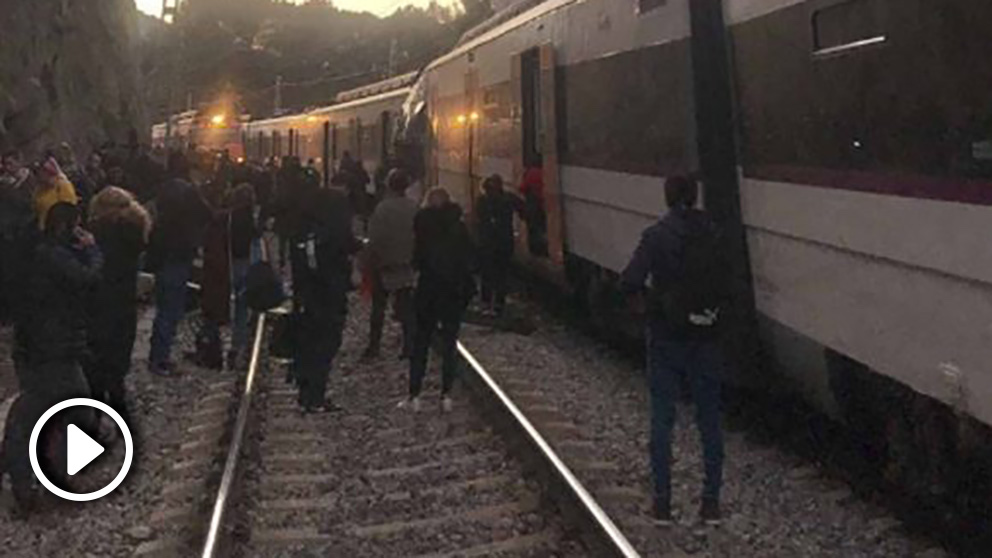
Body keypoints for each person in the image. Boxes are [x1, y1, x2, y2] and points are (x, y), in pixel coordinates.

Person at [620, 175, 726, 526]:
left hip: (666, 337)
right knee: (709, 421)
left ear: (666, 198)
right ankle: (711, 504)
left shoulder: (655, 236)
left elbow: (630, 281)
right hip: (707, 335)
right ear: (694, 197)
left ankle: (662, 504)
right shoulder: (714, 233)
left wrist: (646, 308)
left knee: (662, 421)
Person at [2, 202, 101, 512]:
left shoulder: (39, 252)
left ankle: (34, 479)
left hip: (43, 346)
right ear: (66, 226)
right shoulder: (54, 257)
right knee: (65, 410)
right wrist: (92, 250)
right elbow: (86, 279)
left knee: (41, 412)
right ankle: (35, 483)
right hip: (50, 348)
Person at [402, 188, 475, 413]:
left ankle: (414, 396)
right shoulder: (459, 227)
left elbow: (416, 260)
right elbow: (470, 260)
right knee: (450, 344)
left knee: (421, 343)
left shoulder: (422, 227)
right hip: (452, 293)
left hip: (428, 291)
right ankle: (446, 396)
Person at [85, 187, 150, 428]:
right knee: (117, 365)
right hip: (124, 305)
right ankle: (120, 414)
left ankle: (96, 419)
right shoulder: (136, 232)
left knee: (97, 365)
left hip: (100, 305)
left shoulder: (98, 234)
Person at [295, 182, 360, 413]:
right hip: (329, 294)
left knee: (310, 343)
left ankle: (307, 393)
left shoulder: (306, 230)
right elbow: (344, 252)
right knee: (326, 344)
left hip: (309, 295)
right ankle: (316, 395)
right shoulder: (334, 233)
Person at [147, 152, 211, 377]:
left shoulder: (163, 189)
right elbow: (206, 214)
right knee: (171, 309)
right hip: (178, 254)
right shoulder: (188, 191)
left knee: (164, 308)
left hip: (162, 254)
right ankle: (160, 359)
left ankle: (158, 356)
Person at [363, 168, 418, 360]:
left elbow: (375, 238)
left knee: (378, 308)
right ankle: (409, 347)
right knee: (405, 309)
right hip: (406, 263)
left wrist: (367, 262)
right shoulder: (414, 207)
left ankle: (374, 347)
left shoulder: (383, 208)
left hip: (385, 264)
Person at [475, 174, 523, 317]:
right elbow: (523, 210)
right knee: (502, 273)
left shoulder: (482, 200)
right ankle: (499, 304)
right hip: (504, 241)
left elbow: (479, 219)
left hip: (487, 242)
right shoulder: (508, 198)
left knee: (487, 273)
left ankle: (486, 302)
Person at [228, 183, 258, 368]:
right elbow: (253, 237)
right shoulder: (247, 216)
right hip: (244, 262)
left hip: (231, 262)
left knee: (235, 305)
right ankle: (238, 344)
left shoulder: (230, 216)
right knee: (242, 306)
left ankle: (236, 345)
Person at [33, 157, 79, 230]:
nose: (38, 174)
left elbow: (69, 212)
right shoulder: (40, 189)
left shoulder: (63, 186)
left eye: (40, 171)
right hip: (42, 229)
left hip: (58, 231)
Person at [519, 166, 548, 257]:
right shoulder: (543, 172)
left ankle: (536, 250)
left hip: (533, 205)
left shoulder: (531, 172)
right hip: (542, 205)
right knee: (542, 227)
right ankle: (544, 248)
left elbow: (522, 188)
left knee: (533, 228)